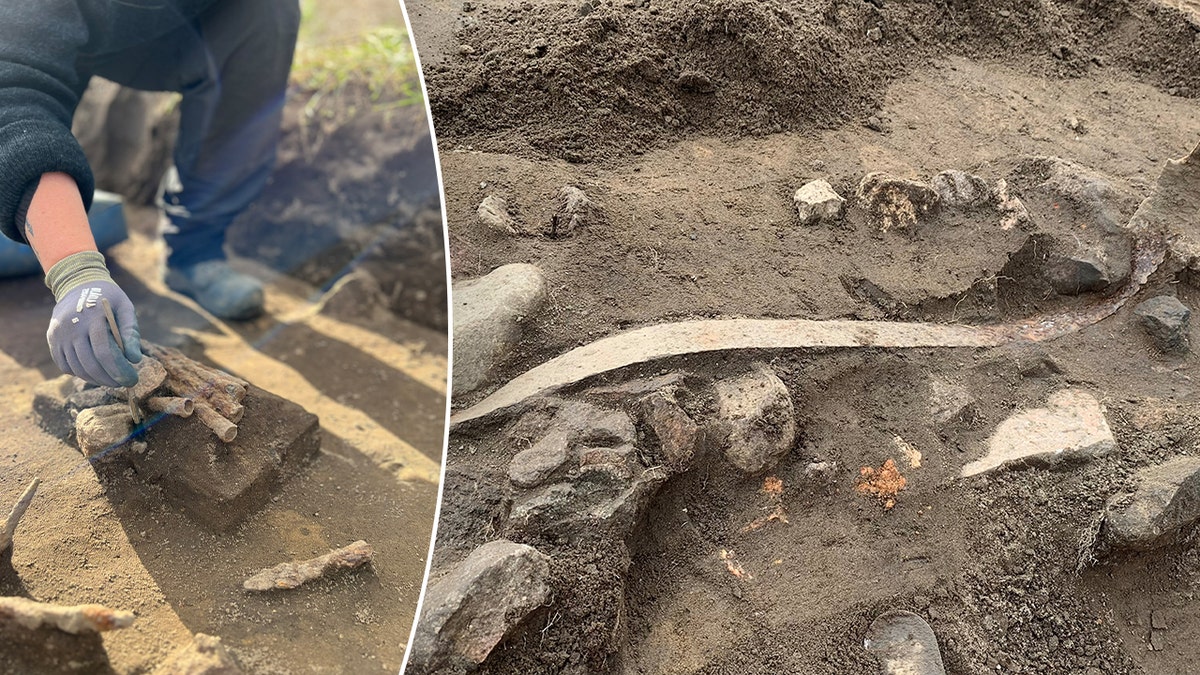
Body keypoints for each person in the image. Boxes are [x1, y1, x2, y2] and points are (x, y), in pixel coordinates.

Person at [0, 0, 300, 388]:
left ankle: (194, 253)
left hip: (166, 26)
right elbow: (14, 98)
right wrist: (76, 271)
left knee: (266, 12)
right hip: (26, 26)